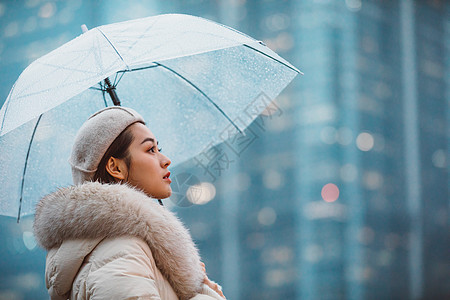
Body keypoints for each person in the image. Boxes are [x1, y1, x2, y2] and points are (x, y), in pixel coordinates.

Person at [33, 106, 225, 300]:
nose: (166, 160)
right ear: (115, 167)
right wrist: (206, 294)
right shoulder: (123, 251)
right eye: (150, 149)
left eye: (160, 149)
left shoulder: (120, 249)